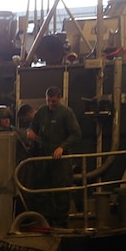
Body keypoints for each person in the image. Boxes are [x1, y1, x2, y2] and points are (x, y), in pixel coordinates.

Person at [26, 87, 81, 227]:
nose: (51, 104)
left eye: (54, 101)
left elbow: (76, 134)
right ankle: (46, 221)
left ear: (60, 98)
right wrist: (31, 132)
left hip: (61, 160)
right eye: (49, 101)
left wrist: (62, 147)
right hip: (44, 158)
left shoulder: (66, 113)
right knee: (44, 191)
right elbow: (33, 126)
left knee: (61, 191)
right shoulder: (41, 113)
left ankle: (61, 223)